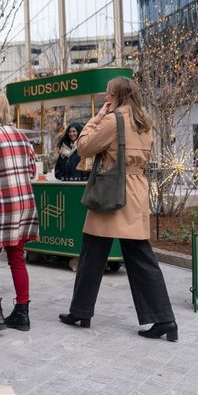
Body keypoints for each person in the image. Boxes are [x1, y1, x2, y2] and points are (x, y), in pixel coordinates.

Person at [59, 77, 178, 341]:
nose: (105, 95)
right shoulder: (144, 122)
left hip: (111, 192)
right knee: (141, 257)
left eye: (108, 92)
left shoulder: (113, 120)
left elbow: (84, 146)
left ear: (116, 96)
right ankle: (165, 319)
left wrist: (98, 117)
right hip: (135, 192)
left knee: (91, 253)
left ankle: (80, 311)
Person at [0, 95, 40, 333]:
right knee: (17, 258)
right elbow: (33, 170)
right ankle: (22, 313)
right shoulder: (23, 137)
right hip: (23, 205)